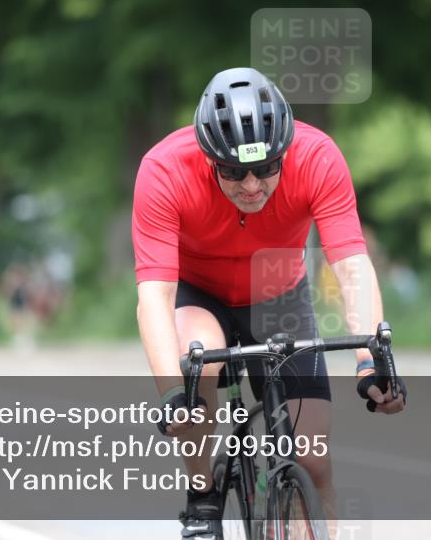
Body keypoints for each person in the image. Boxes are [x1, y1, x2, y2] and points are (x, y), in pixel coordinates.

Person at [132, 67, 406, 539]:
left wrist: (370, 362)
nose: (252, 186)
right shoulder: (163, 170)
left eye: (266, 168)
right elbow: (155, 293)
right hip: (200, 292)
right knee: (200, 365)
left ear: (285, 151)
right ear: (209, 157)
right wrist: (173, 394)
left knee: (313, 460)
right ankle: (202, 498)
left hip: (278, 291)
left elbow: (351, 267)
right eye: (234, 172)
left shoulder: (318, 156)